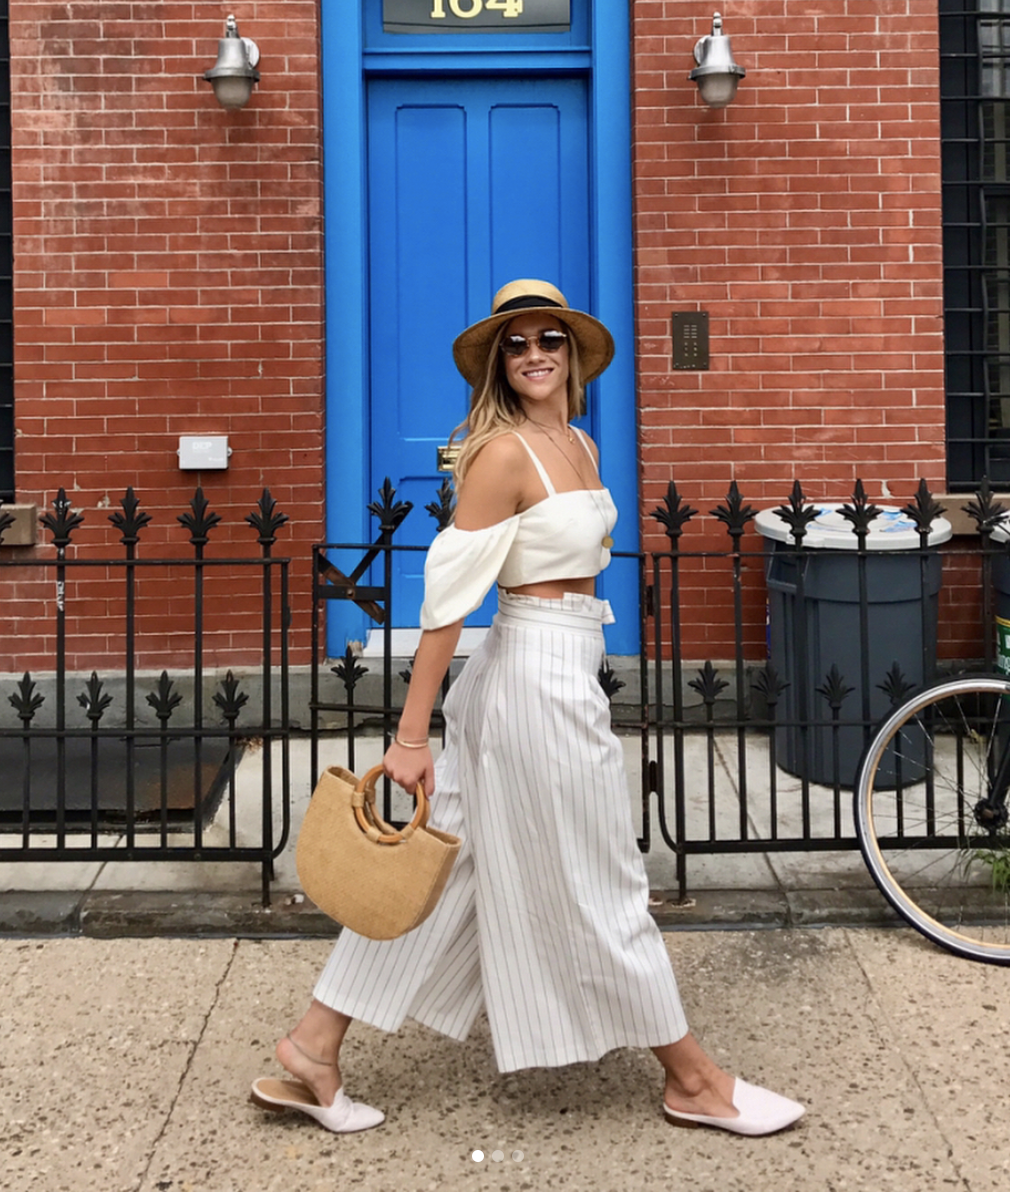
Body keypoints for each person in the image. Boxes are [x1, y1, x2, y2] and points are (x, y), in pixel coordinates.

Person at [250, 280, 805, 1137]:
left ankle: (311, 1050)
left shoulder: (576, 440)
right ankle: (692, 1079)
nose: (536, 353)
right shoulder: (501, 454)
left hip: (561, 663)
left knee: (448, 872)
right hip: (528, 680)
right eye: (518, 343)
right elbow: (448, 603)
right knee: (602, 878)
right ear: (499, 363)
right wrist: (409, 736)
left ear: (573, 353)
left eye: (551, 338)